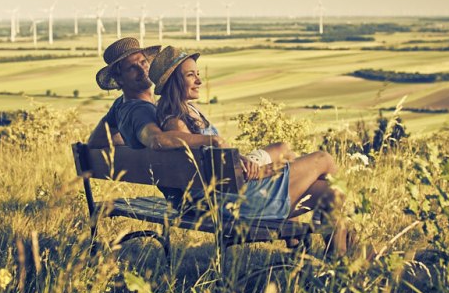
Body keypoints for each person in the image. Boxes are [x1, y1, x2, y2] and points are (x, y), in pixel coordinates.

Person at [148, 45, 342, 230]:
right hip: (234, 201)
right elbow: (214, 171)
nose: (199, 81)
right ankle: (333, 239)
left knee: (328, 189)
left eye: (198, 74)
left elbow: (216, 161)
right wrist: (266, 170)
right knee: (323, 160)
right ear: (174, 82)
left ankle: (328, 247)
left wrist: (243, 161)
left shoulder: (180, 111)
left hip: (225, 195)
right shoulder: (177, 123)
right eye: (191, 75)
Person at [87, 38, 228, 209]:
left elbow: (95, 141)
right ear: (119, 78)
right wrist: (211, 140)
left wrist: (133, 142)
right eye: (132, 67)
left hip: (186, 194)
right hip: (193, 200)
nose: (143, 70)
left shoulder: (120, 105)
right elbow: (156, 140)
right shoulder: (140, 112)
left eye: (143, 62)